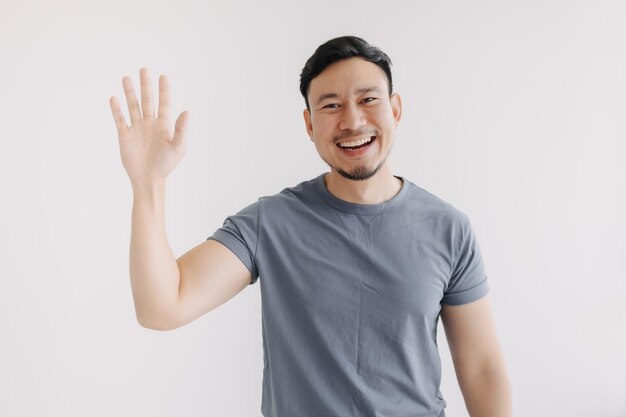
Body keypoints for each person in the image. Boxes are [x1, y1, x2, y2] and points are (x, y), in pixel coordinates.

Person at [109, 36, 513, 417]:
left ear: (395, 109)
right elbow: (162, 307)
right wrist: (149, 184)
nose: (352, 121)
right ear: (309, 125)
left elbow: (481, 367)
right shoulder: (270, 222)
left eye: (368, 99)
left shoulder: (448, 228)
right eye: (331, 106)